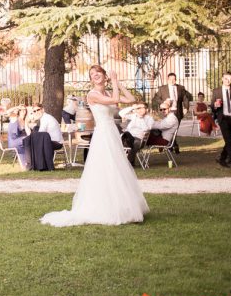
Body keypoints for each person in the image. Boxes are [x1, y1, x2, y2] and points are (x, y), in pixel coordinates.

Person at [41, 66, 149, 227]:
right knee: (106, 167)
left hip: (112, 133)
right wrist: (112, 81)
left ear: (104, 75)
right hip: (103, 134)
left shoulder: (107, 92)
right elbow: (114, 101)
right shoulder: (92, 94)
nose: (95, 75)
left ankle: (121, 206)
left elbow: (131, 99)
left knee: (117, 167)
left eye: (98, 72)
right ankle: (105, 208)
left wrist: (117, 83)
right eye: (92, 74)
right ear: (91, 80)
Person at [156, 73, 191, 153]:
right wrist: (163, 102)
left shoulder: (181, 88)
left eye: (174, 79)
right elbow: (157, 98)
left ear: (176, 79)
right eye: (170, 79)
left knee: (174, 129)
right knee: (167, 129)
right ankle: (172, 146)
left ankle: (169, 145)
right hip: (166, 111)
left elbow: (185, 98)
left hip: (177, 111)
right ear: (167, 79)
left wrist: (186, 108)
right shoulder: (162, 88)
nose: (172, 81)